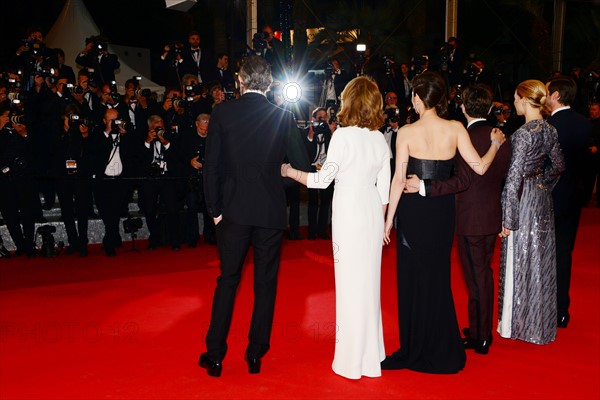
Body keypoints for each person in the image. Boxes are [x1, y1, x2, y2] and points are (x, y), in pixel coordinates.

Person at [382, 71, 506, 373]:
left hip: (413, 212)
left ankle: (415, 345)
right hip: (441, 213)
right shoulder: (455, 128)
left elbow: (399, 181)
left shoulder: (406, 132)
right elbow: (478, 169)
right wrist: (495, 144)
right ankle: (439, 344)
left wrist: (387, 221)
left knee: (413, 278)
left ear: (415, 98)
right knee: (437, 276)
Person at [198, 56, 304, 377]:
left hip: (233, 211)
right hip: (271, 212)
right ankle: (255, 354)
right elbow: (303, 163)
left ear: (241, 81)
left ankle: (215, 356)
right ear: (269, 83)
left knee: (227, 281)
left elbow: (211, 166)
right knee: (266, 284)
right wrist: (276, 176)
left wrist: (215, 211)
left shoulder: (223, 112)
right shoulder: (283, 115)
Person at [282, 75, 391, 379]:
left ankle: (352, 360)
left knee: (349, 286)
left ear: (349, 100)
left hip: (348, 214)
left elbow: (321, 181)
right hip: (370, 213)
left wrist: (290, 171)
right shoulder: (379, 138)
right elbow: (383, 191)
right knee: (369, 285)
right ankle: (372, 355)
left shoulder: (343, 136)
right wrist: (384, 224)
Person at [497, 79, 565, 344]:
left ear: (525, 100)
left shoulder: (524, 133)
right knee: (541, 258)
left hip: (522, 198)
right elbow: (559, 165)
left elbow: (513, 178)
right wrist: (543, 184)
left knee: (520, 257)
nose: (513, 102)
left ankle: (519, 325)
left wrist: (507, 218)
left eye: (515, 98)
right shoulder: (550, 130)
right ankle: (540, 324)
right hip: (541, 197)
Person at [545, 76, 592, 328]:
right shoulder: (584, 124)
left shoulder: (549, 125)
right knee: (564, 253)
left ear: (555, 95)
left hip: (549, 196)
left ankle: (546, 308)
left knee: (544, 254)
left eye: (546, 91)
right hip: (573, 196)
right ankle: (562, 309)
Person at [303, 107, 337, 239]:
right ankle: (312, 231)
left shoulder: (332, 133)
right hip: (312, 168)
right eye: (319, 117)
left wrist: (333, 131)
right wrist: (311, 137)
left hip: (326, 169)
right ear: (313, 119)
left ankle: (322, 230)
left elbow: (338, 149)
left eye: (325, 117)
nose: (323, 120)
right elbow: (305, 154)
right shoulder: (307, 132)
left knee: (325, 201)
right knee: (312, 200)